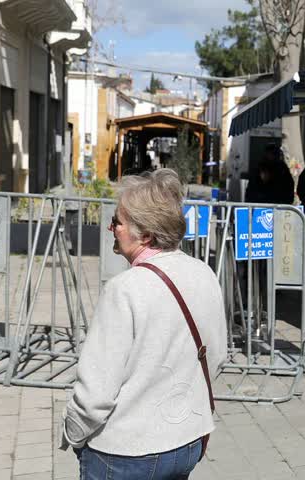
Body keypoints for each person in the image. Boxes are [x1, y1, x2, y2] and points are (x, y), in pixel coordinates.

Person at [61, 169, 227, 480]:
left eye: (118, 222)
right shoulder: (204, 273)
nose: (111, 228)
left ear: (146, 234)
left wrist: (72, 433)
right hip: (188, 440)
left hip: (126, 453)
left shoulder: (124, 289)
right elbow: (217, 357)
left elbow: (95, 395)